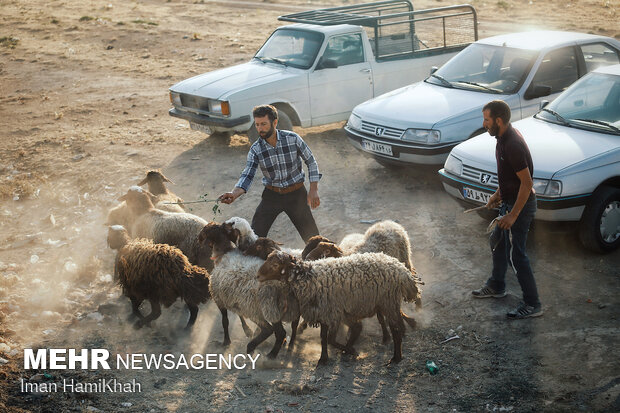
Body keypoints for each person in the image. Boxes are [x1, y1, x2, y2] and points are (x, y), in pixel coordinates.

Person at [471, 100, 542, 319]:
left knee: (517, 255)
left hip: (521, 205)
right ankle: (497, 285)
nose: (484, 123)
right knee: (497, 240)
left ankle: (533, 304)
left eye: (486, 119)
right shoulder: (501, 138)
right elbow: (509, 176)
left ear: (498, 120)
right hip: (508, 201)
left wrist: (513, 215)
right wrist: (497, 194)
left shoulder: (512, 144)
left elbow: (527, 184)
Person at [219, 105, 321, 242]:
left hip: (297, 195)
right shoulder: (256, 149)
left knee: (313, 239)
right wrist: (234, 194)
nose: (260, 128)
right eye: (257, 125)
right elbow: (247, 174)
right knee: (254, 239)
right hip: (272, 196)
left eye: (264, 124)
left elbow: (311, 162)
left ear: (275, 122)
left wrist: (313, 189)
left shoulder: (293, 139)